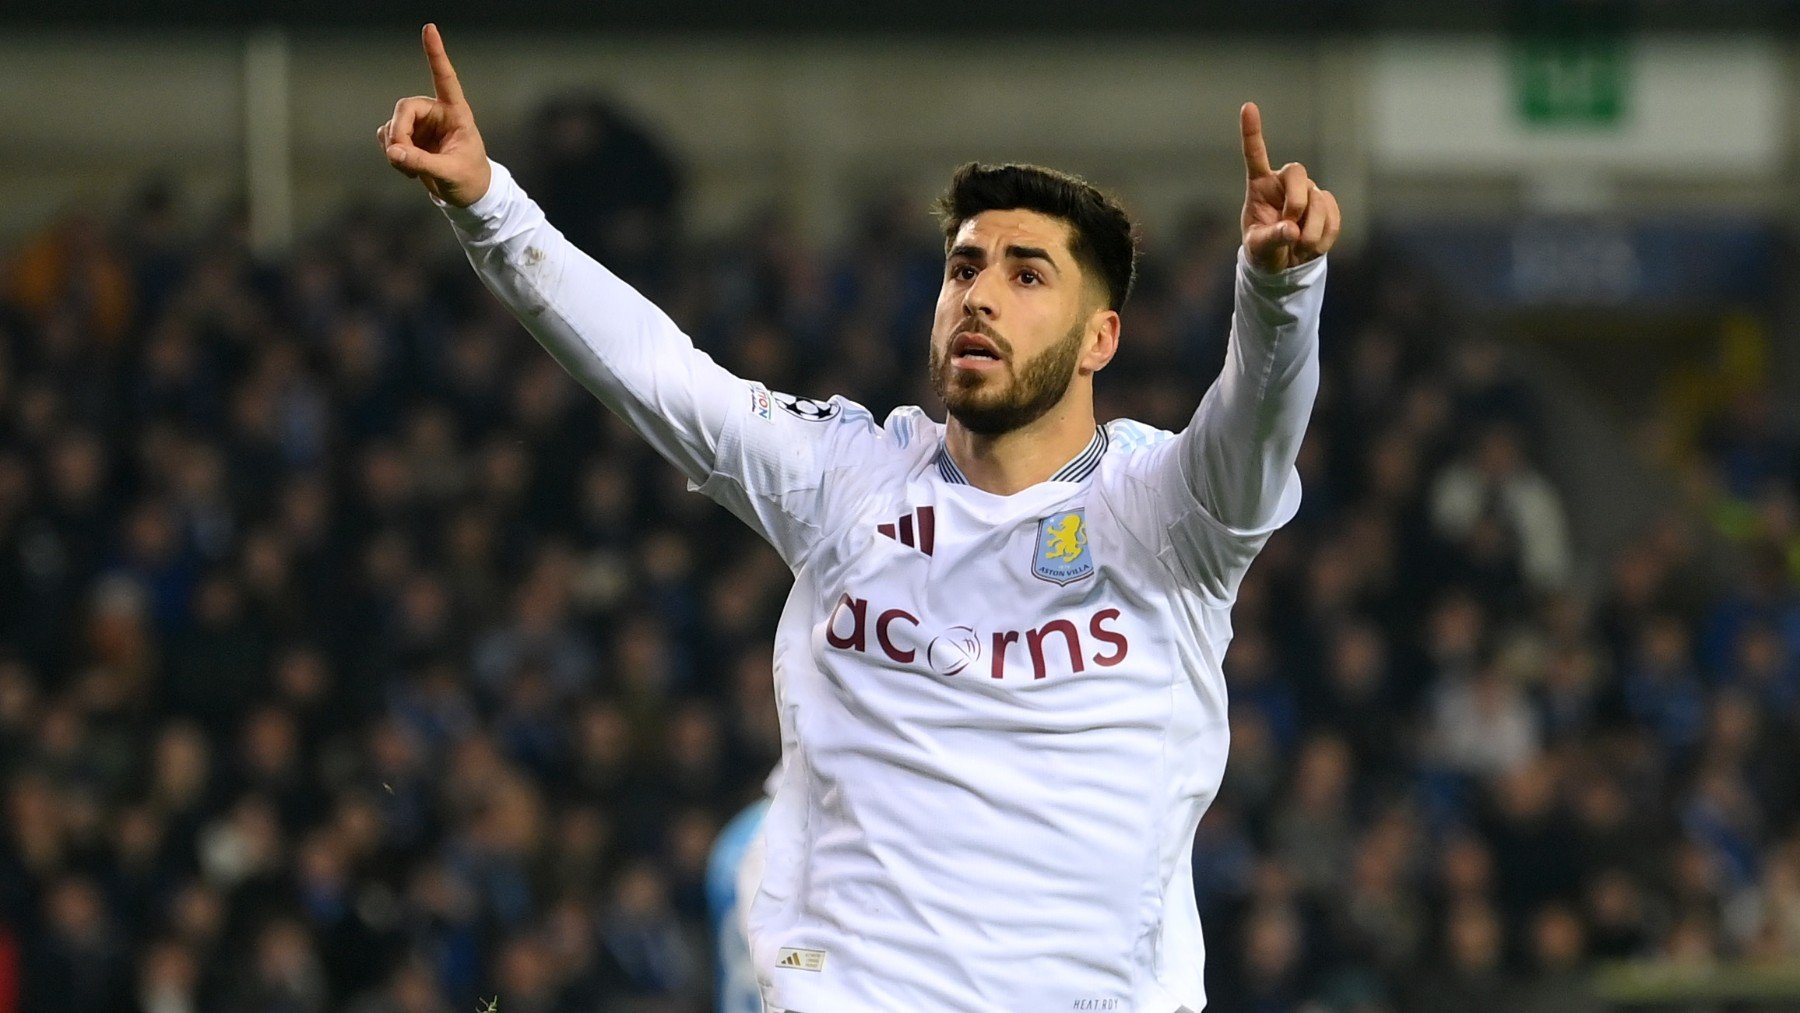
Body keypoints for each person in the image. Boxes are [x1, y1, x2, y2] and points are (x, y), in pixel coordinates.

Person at [377, 23, 1339, 1012]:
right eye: (964, 267)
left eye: (1027, 274)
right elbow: (656, 374)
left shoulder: (1164, 511)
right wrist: (490, 203)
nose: (979, 296)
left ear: (1102, 338)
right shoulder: (856, 479)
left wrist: (1280, 287)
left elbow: (1256, 422)